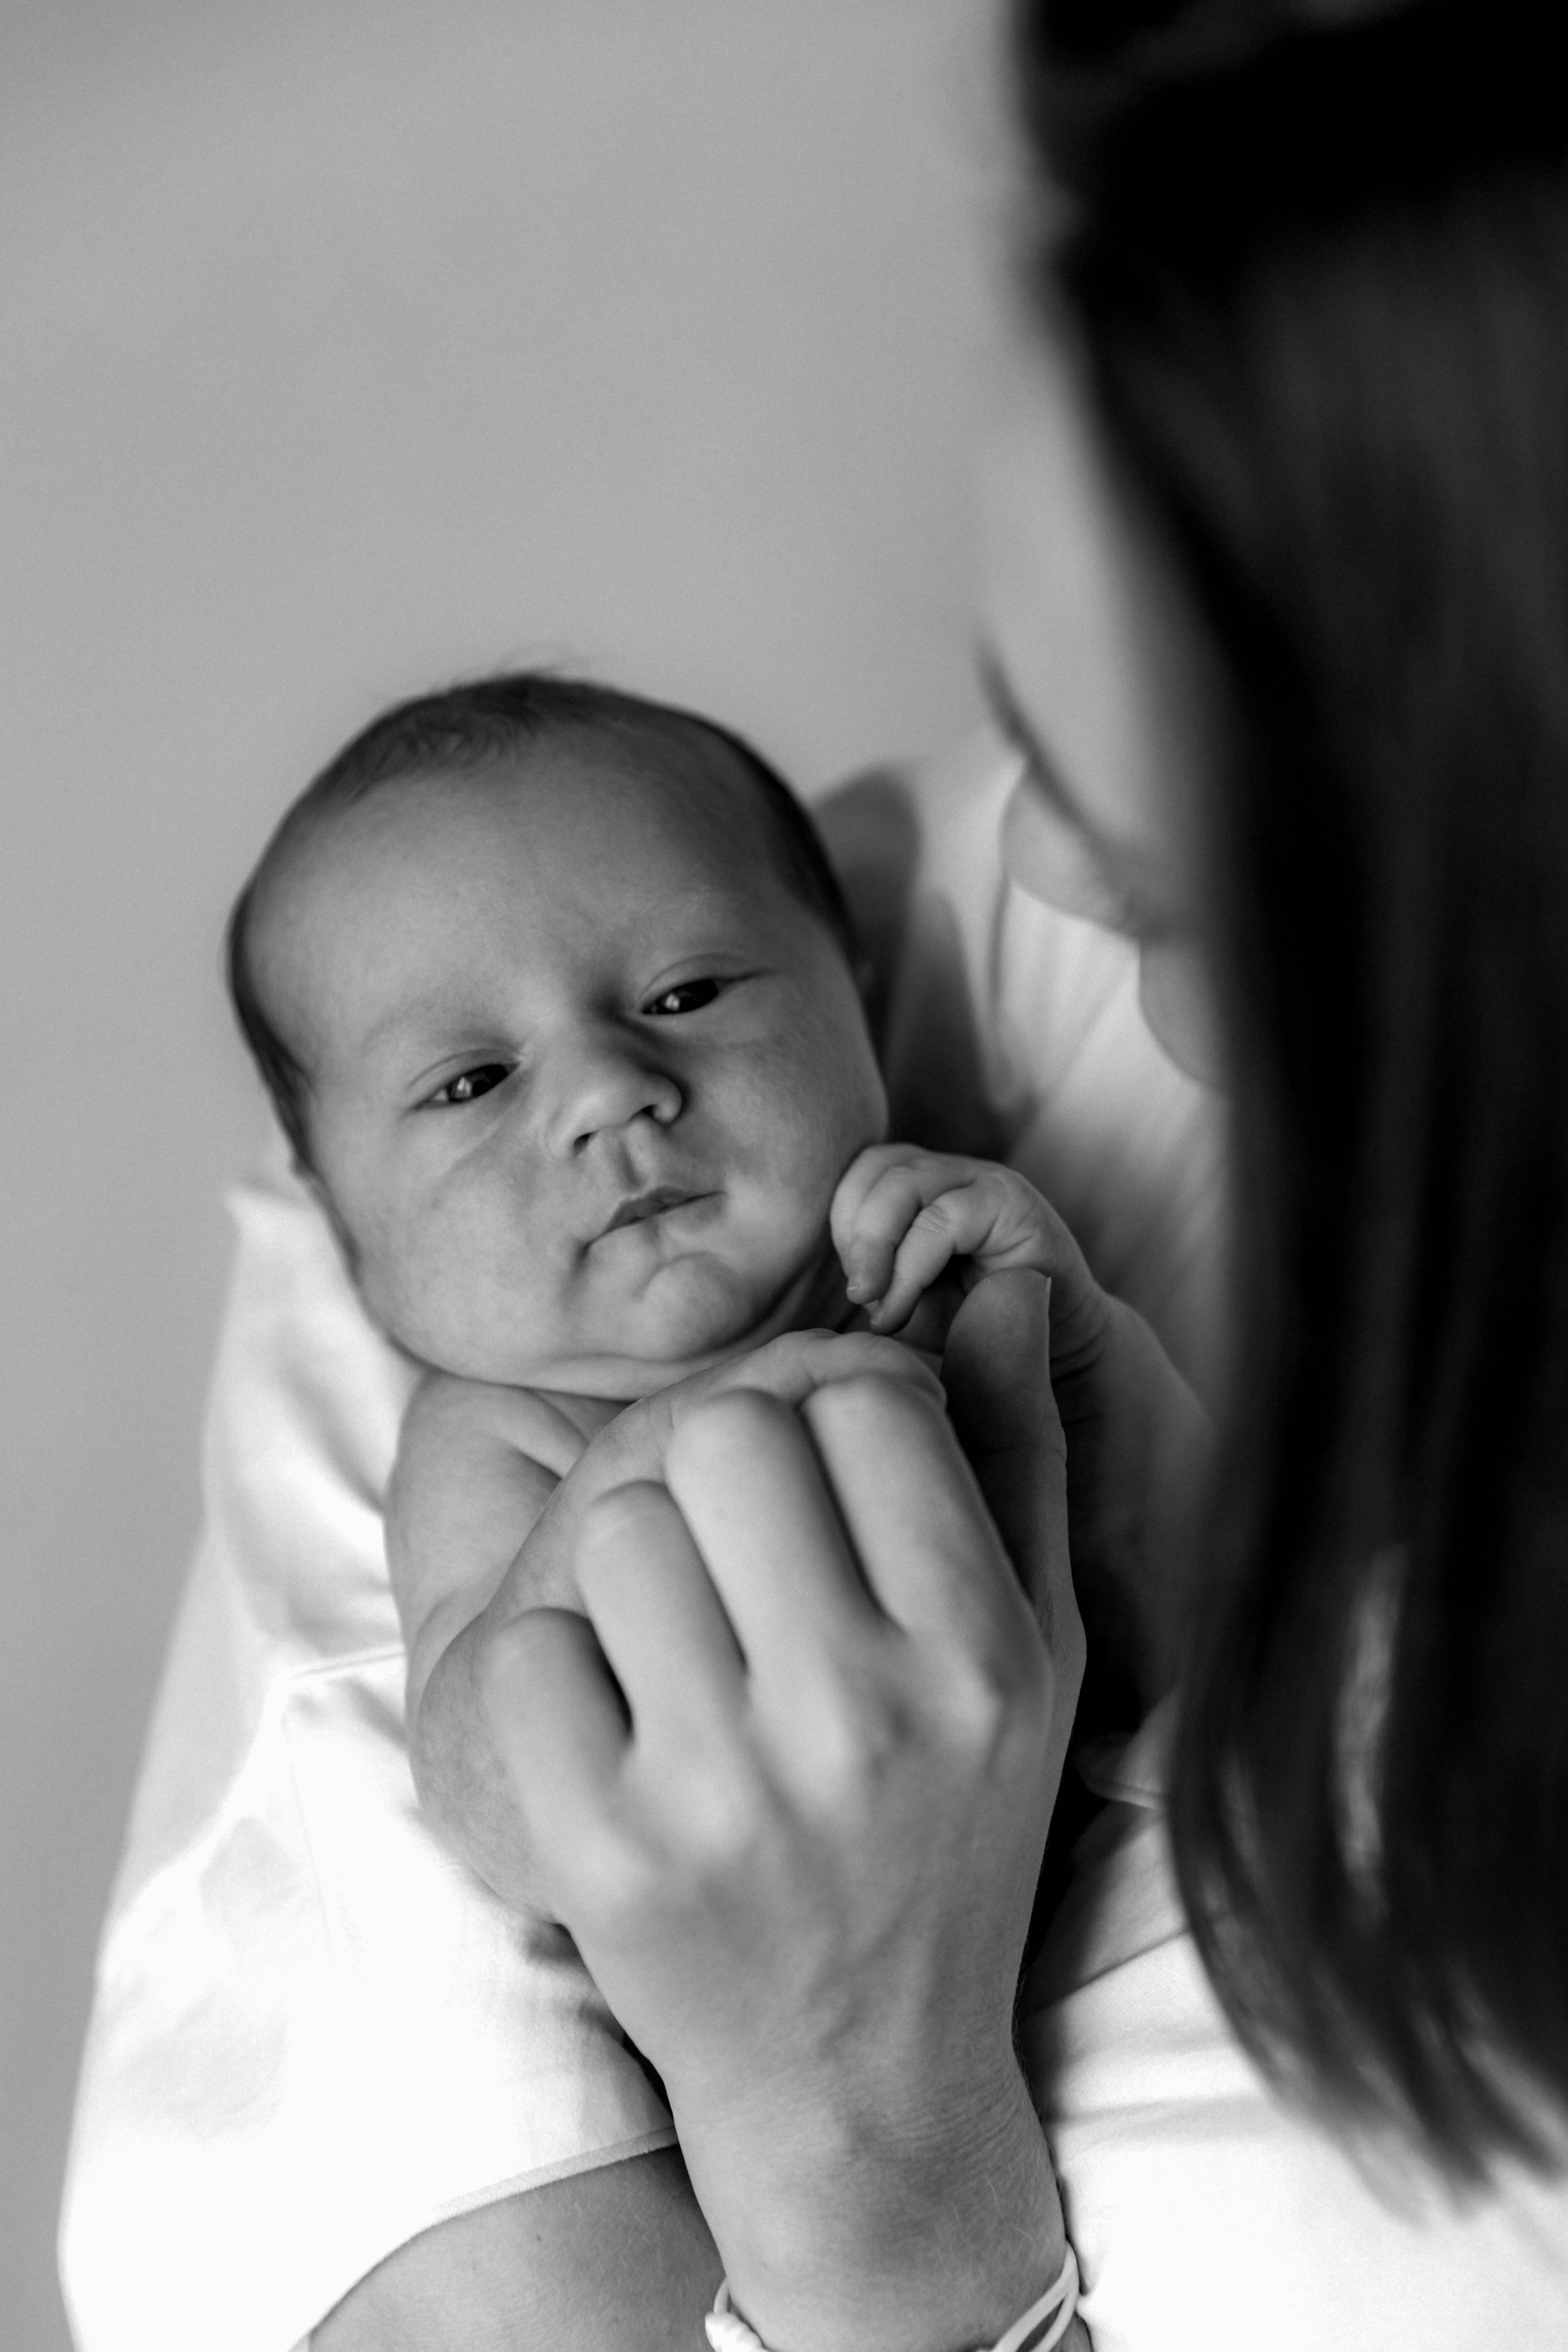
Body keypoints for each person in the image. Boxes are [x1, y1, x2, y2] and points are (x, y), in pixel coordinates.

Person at [225, 669, 1153, 1921]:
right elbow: (494, 1801)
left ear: (857, 997)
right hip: (787, 1982)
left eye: (684, 995)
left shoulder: (949, 1260)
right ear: (343, 1234)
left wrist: (1076, 1348)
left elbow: (1212, 1582)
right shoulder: (498, 1440)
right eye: (472, 1082)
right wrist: (635, 1492)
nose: (609, 1089)